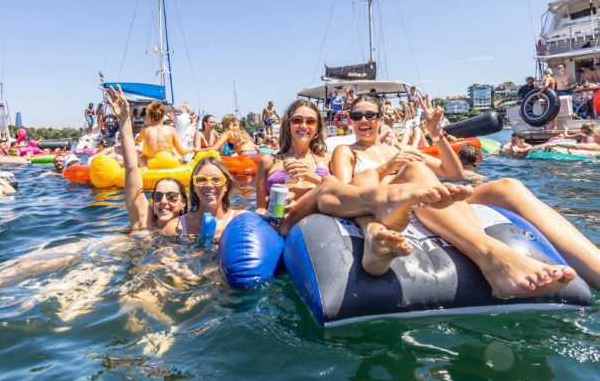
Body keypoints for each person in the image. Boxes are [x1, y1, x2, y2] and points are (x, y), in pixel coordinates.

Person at [283, 93, 591, 297]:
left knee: (508, 187)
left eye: (371, 115)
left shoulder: (400, 146)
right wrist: (391, 168)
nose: (364, 121)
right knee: (415, 173)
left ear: (381, 118)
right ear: (350, 119)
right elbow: (347, 189)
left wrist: (436, 133)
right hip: (393, 200)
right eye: (357, 115)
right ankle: (491, 257)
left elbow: (453, 173)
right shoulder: (345, 150)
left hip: (430, 191)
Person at [105, 85, 190, 234]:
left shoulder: (190, 228)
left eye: (172, 196)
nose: (163, 202)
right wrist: (124, 120)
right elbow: (131, 168)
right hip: (171, 161)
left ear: (183, 202)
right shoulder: (145, 221)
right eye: (157, 196)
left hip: (151, 162)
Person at [256, 100, 331, 210]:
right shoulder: (268, 161)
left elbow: (342, 195)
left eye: (311, 122)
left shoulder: (329, 158)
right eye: (297, 120)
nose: (304, 126)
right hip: (279, 221)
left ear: (317, 128)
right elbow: (261, 208)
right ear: (288, 125)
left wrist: (312, 177)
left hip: (318, 221)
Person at [178, 156, 247, 239]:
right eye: (201, 180)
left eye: (216, 179)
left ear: (226, 186)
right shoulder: (177, 227)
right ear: (193, 187)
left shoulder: (242, 220)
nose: (209, 185)